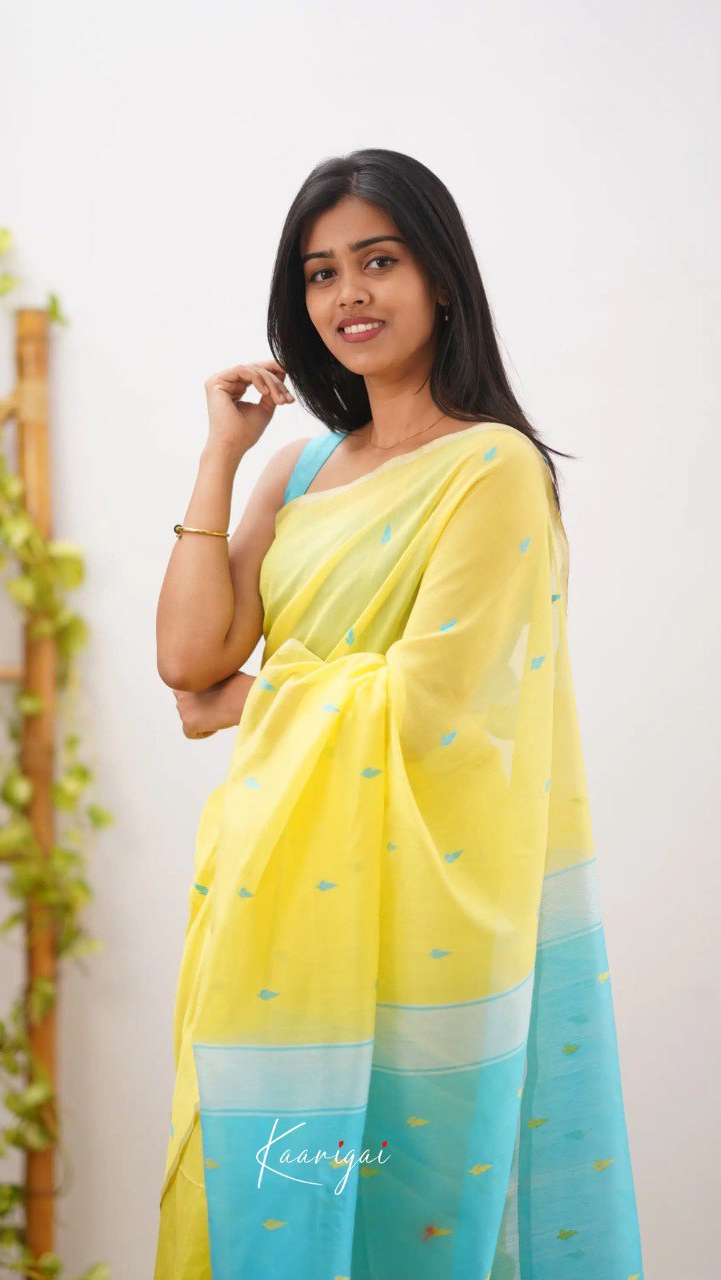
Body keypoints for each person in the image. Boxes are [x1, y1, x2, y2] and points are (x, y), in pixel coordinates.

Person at [153, 148, 645, 1280]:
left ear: (440, 280)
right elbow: (184, 659)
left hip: (423, 920)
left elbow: (440, 707)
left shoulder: (490, 468)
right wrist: (222, 452)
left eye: (378, 261)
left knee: (405, 1222)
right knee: (261, 1204)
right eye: (321, 273)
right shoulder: (297, 468)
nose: (349, 294)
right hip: (274, 901)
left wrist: (248, 700)